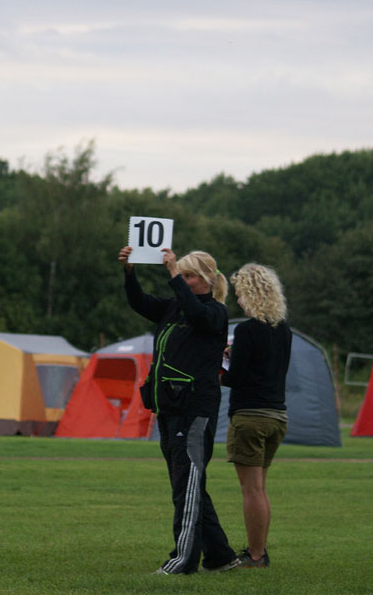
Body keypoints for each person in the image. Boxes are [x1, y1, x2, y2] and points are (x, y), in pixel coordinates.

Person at [118, 246, 239, 575]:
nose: (183, 281)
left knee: (186, 485)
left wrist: (172, 275)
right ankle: (221, 556)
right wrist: (130, 271)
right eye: (181, 274)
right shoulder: (174, 307)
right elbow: (140, 302)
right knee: (189, 484)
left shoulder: (214, 312)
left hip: (195, 410)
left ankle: (183, 560)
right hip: (170, 408)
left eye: (188, 276)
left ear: (207, 280)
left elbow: (196, 314)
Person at [220, 263, 291, 569]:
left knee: (251, 490)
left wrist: (214, 368)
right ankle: (257, 550)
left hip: (249, 417)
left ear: (249, 293)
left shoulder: (246, 330)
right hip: (277, 417)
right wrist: (233, 357)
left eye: (239, 293)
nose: (237, 300)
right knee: (260, 488)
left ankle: (256, 555)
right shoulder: (283, 329)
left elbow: (235, 378)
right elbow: (266, 369)